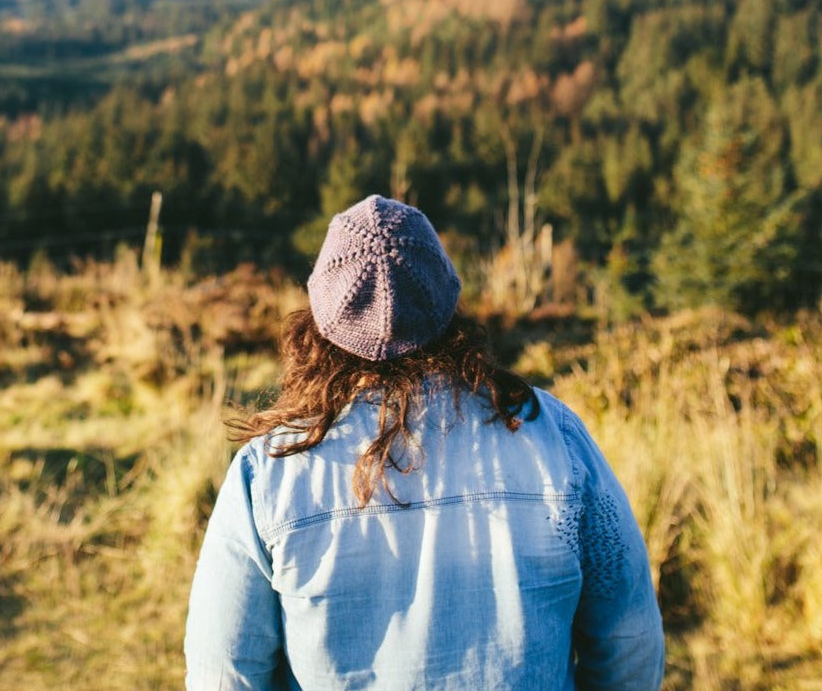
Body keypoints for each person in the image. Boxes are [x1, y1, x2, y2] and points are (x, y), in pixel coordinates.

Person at [184, 195, 664, 690]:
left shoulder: (271, 471)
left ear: (321, 316)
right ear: (447, 299)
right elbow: (629, 641)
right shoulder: (552, 436)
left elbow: (223, 674)